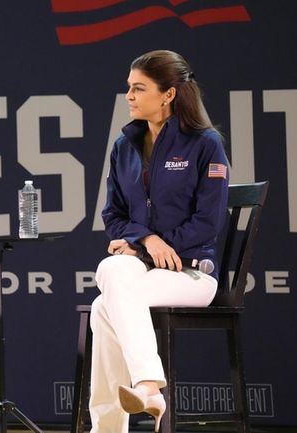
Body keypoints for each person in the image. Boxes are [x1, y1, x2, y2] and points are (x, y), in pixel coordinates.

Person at [90, 50, 230, 433]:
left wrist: (153, 246)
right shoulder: (124, 147)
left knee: (111, 282)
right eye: (128, 89)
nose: (129, 97)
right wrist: (146, 240)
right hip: (141, 269)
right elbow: (112, 216)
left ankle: (128, 406)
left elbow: (208, 223)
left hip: (193, 274)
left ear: (168, 94)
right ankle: (146, 390)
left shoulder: (205, 144)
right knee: (107, 300)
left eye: (139, 88)